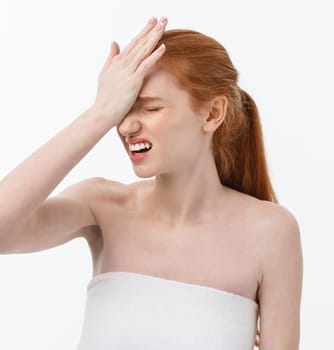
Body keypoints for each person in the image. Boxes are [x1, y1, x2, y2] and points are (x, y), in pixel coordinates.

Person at [0, 16, 302, 350]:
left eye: (150, 108)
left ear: (213, 114)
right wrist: (99, 114)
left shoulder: (271, 232)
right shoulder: (101, 208)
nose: (126, 126)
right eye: (122, 109)